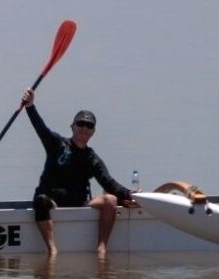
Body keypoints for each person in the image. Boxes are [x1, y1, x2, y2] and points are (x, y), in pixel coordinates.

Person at [21, 88, 136, 257]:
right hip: (53, 201)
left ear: (93, 132)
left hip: (80, 202)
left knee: (110, 199)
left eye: (89, 126)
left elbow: (108, 182)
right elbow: (41, 129)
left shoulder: (92, 158)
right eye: (80, 124)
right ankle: (52, 250)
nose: (84, 128)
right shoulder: (57, 144)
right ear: (72, 126)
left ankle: (101, 248)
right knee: (40, 201)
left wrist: (129, 194)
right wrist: (30, 107)